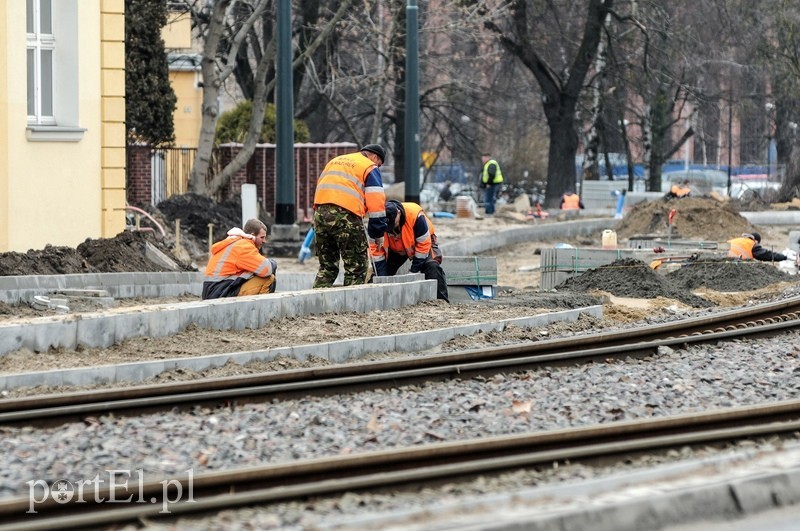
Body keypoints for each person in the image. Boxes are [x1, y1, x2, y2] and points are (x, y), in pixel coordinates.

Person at [312, 144, 388, 287]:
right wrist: (377, 233)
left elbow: (321, 187)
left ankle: (315, 306)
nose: (378, 167)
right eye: (379, 164)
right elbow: (376, 203)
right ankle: (352, 307)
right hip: (346, 216)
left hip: (320, 215)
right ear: (375, 157)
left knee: (327, 267)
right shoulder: (369, 166)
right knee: (356, 268)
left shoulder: (335, 161)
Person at [369, 200, 449, 302]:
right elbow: (376, 252)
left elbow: (423, 245)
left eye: (393, 223)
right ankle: (376, 301)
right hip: (395, 248)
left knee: (432, 266)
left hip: (423, 244)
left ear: (398, 213)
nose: (390, 228)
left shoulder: (415, 216)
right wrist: (381, 276)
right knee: (378, 275)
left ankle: (441, 301)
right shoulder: (376, 222)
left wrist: (413, 271)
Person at [202, 218, 277, 299]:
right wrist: (273, 262)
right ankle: (261, 309)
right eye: (262, 237)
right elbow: (267, 269)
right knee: (268, 278)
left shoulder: (235, 242)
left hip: (212, 290)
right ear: (253, 235)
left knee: (253, 273)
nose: (264, 241)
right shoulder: (244, 247)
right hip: (219, 292)